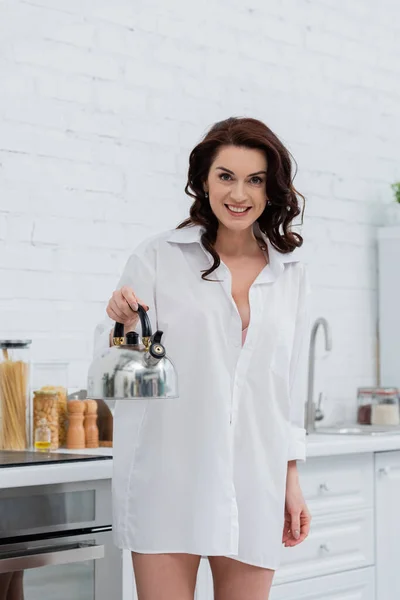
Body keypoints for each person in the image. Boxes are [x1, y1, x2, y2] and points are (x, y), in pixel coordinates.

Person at [94, 116, 312, 600]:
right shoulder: (158, 256)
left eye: (255, 179)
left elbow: (288, 386)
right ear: (204, 182)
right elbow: (119, 380)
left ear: (270, 188)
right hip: (171, 472)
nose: (240, 193)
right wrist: (124, 328)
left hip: (256, 474)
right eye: (226, 176)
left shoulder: (290, 270)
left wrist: (289, 478)